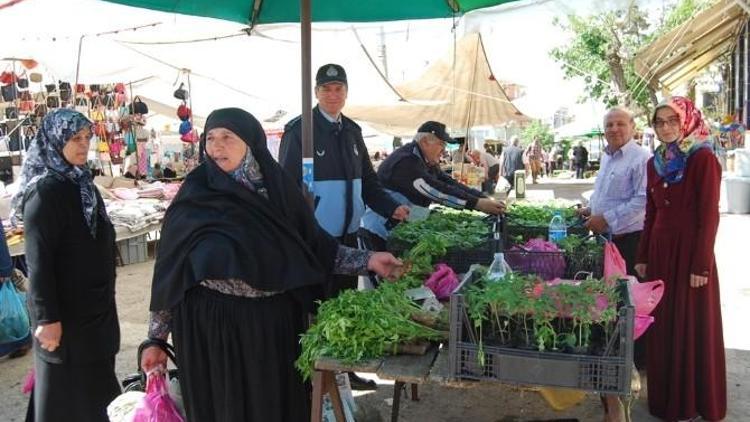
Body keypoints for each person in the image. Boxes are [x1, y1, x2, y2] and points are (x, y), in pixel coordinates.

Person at [140, 108, 403, 421]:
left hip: (271, 329)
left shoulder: (278, 194)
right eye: (210, 138)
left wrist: (369, 260)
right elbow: (171, 272)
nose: (217, 146)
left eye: (227, 137)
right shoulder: (194, 197)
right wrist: (156, 339)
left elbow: (316, 248)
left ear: (251, 143)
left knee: (273, 407)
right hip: (211, 331)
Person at [10, 109, 121, 421]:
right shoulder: (45, 192)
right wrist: (47, 318)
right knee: (63, 397)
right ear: (56, 140)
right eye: (75, 138)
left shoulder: (83, 184)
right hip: (65, 319)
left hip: (94, 313)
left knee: (93, 390)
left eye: (87, 138)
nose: (84, 145)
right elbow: (39, 260)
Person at [278, 63, 408, 298]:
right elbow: (286, 188)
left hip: (350, 237)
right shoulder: (300, 131)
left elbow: (368, 181)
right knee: (317, 303)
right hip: (316, 237)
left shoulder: (352, 131)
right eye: (326, 89)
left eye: (338, 88)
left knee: (344, 300)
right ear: (316, 93)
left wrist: (392, 208)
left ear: (346, 93)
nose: (333, 95)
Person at [635, 97, 726, 422]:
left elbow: (709, 216)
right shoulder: (654, 162)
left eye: (672, 120)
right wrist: (643, 256)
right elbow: (651, 213)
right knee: (665, 325)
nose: (665, 127)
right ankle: (665, 399)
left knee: (690, 324)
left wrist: (701, 264)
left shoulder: (702, 158)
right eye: (659, 122)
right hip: (660, 253)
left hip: (690, 254)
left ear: (686, 120)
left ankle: (691, 401)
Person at [577, 107, 650, 374]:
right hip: (609, 240)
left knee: (631, 300)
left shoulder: (641, 158)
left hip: (631, 240)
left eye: (620, 123)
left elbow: (642, 201)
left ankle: (637, 360)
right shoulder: (608, 157)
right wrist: (591, 209)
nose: (614, 129)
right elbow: (604, 194)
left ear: (632, 127)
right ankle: (617, 353)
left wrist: (605, 218)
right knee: (612, 298)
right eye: (609, 125)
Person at [361, 121, 505, 250]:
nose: (444, 150)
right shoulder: (406, 162)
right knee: (386, 275)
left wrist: (482, 197)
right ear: (424, 142)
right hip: (380, 230)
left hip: (402, 223)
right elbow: (436, 191)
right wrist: (477, 204)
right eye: (441, 144)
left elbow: (448, 182)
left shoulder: (425, 160)